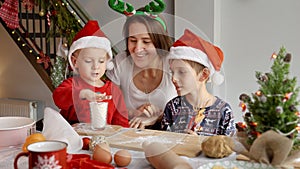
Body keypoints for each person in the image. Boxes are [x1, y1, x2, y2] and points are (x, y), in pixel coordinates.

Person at [106, 3, 177, 128]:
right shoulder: (121, 62)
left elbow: (191, 112)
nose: (138, 49)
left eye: (146, 41)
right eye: (132, 40)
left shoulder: (174, 63)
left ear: (159, 42)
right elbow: (108, 107)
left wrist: (160, 116)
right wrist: (133, 112)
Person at [53, 20, 129, 128]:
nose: (96, 66)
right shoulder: (72, 85)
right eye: (88, 61)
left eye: (101, 61)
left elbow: (121, 123)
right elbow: (58, 98)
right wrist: (82, 93)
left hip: (103, 139)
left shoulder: (114, 90)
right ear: (75, 62)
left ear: (107, 62)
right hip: (75, 139)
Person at [161, 29, 236, 136]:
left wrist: (197, 144)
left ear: (204, 75)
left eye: (182, 72)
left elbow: (228, 149)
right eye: (172, 72)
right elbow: (164, 143)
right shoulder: (172, 107)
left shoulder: (224, 111)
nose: (174, 78)